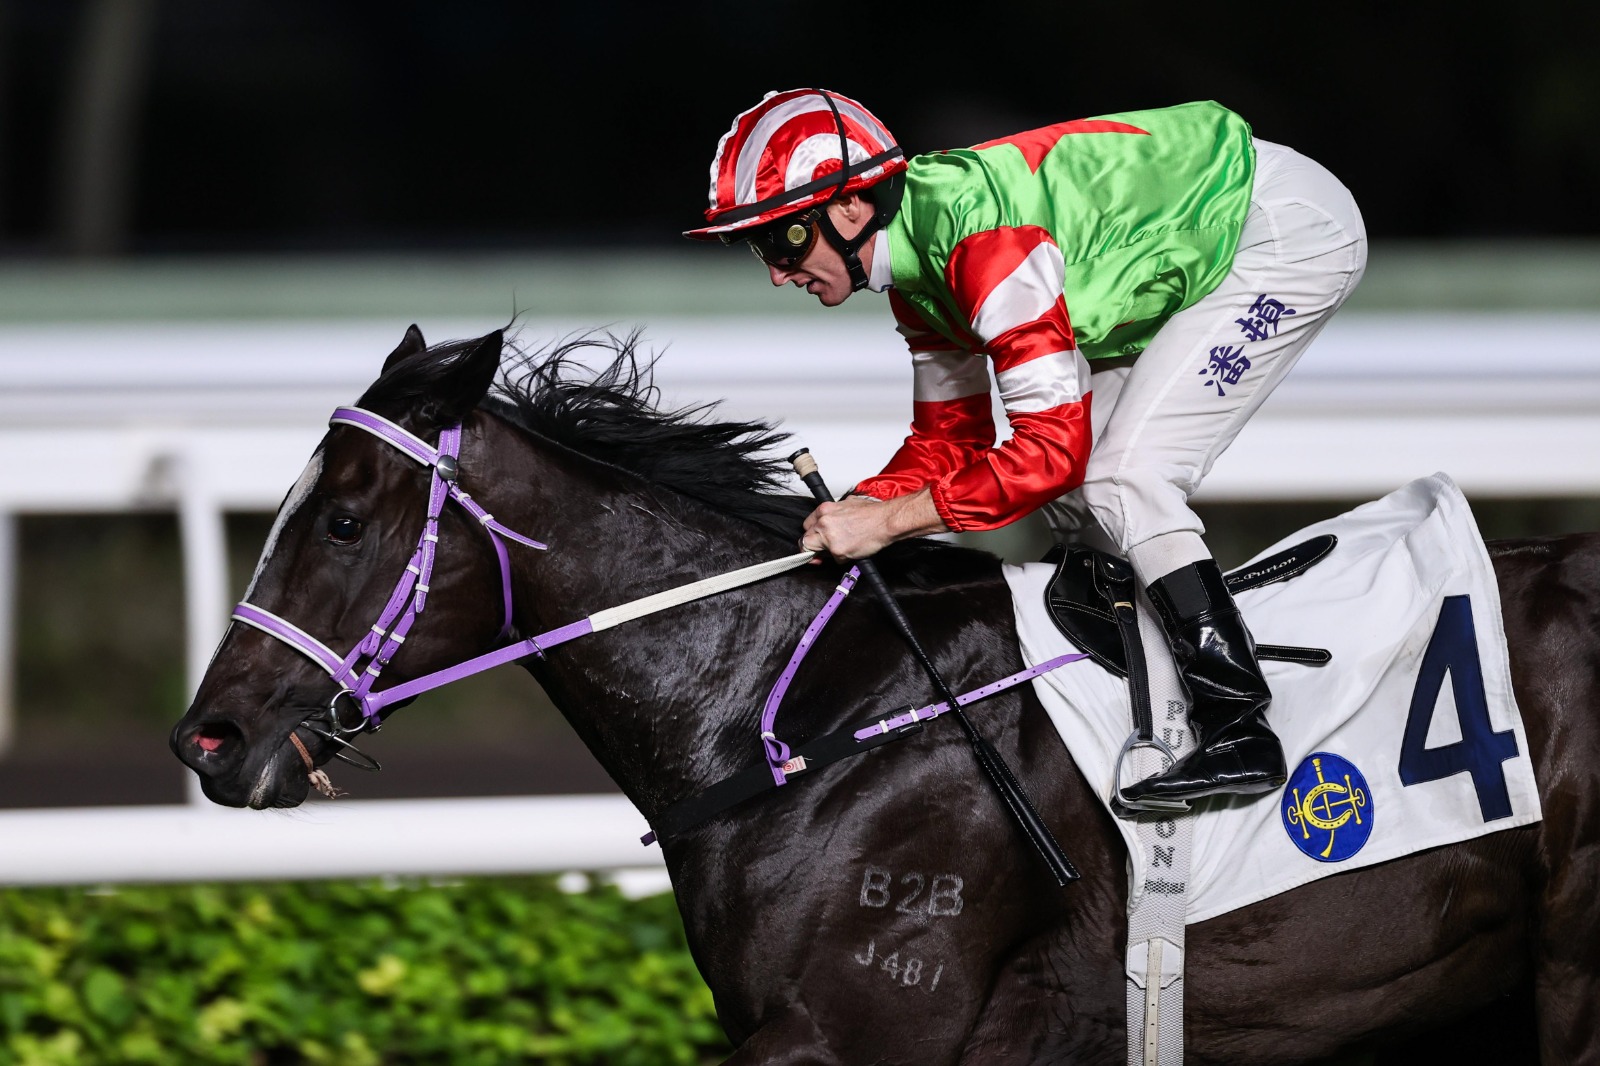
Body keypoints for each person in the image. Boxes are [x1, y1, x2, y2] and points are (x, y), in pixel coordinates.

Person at [684, 89, 1366, 806]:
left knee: (1121, 477)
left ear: (850, 207)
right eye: (761, 245)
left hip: (1281, 231)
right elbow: (951, 439)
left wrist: (886, 524)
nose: (775, 270)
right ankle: (1119, 657)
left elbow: (1049, 455)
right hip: (1189, 240)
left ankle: (1240, 726)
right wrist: (861, 506)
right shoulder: (917, 277)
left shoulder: (983, 247)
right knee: (1082, 497)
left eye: (782, 239)